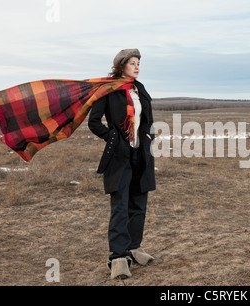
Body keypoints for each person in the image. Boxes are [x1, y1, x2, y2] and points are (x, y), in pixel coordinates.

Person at [88, 48, 156, 279]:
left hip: (141, 155)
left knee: (139, 203)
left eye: (138, 63)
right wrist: (114, 139)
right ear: (121, 66)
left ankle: (134, 247)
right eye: (132, 63)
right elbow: (94, 122)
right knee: (120, 205)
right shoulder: (108, 90)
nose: (137, 67)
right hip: (119, 157)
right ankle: (118, 256)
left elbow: (147, 120)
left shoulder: (140, 89)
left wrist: (147, 136)